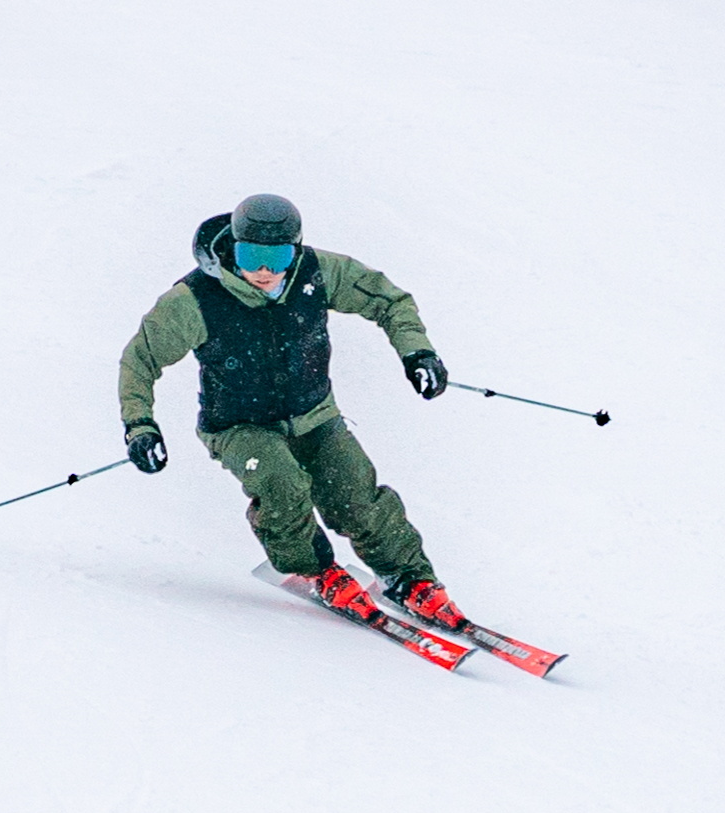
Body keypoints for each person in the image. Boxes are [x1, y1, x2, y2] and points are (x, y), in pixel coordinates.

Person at [118, 193, 466, 628]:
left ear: (295, 250)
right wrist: (140, 426)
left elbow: (390, 301)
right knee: (282, 484)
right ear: (233, 246)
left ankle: (408, 577)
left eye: (277, 256)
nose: (264, 270)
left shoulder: (317, 273)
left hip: (314, 413)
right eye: (251, 255)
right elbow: (140, 360)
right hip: (239, 425)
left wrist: (418, 353)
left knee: (356, 494)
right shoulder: (195, 299)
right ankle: (314, 568)